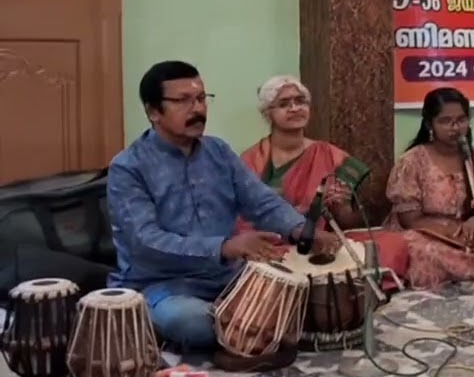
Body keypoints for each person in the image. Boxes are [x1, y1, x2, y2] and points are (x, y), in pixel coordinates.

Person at [107, 61, 338, 361]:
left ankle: (237, 328)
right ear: (153, 112)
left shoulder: (218, 151)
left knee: (306, 295)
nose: (197, 109)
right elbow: (145, 242)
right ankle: (227, 328)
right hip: (162, 285)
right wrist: (225, 247)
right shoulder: (128, 168)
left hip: (227, 276)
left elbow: (261, 201)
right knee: (191, 322)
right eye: (183, 101)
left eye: (201, 98)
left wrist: (301, 230)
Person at [238, 75, 409, 282]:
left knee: (392, 244)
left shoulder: (330, 156)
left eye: (300, 101)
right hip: (270, 243)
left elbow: (346, 223)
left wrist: (340, 207)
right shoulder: (250, 161)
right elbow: (240, 219)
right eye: (284, 104)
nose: (295, 108)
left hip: (320, 244)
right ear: (268, 114)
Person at [383, 87, 474, 289]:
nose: (455, 127)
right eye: (445, 121)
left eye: (461, 120)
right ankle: (467, 272)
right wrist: (452, 233)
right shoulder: (412, 162)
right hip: (431, 235)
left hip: (473, 236)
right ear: (429, 124)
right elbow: (410, 220)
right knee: (421, 249)